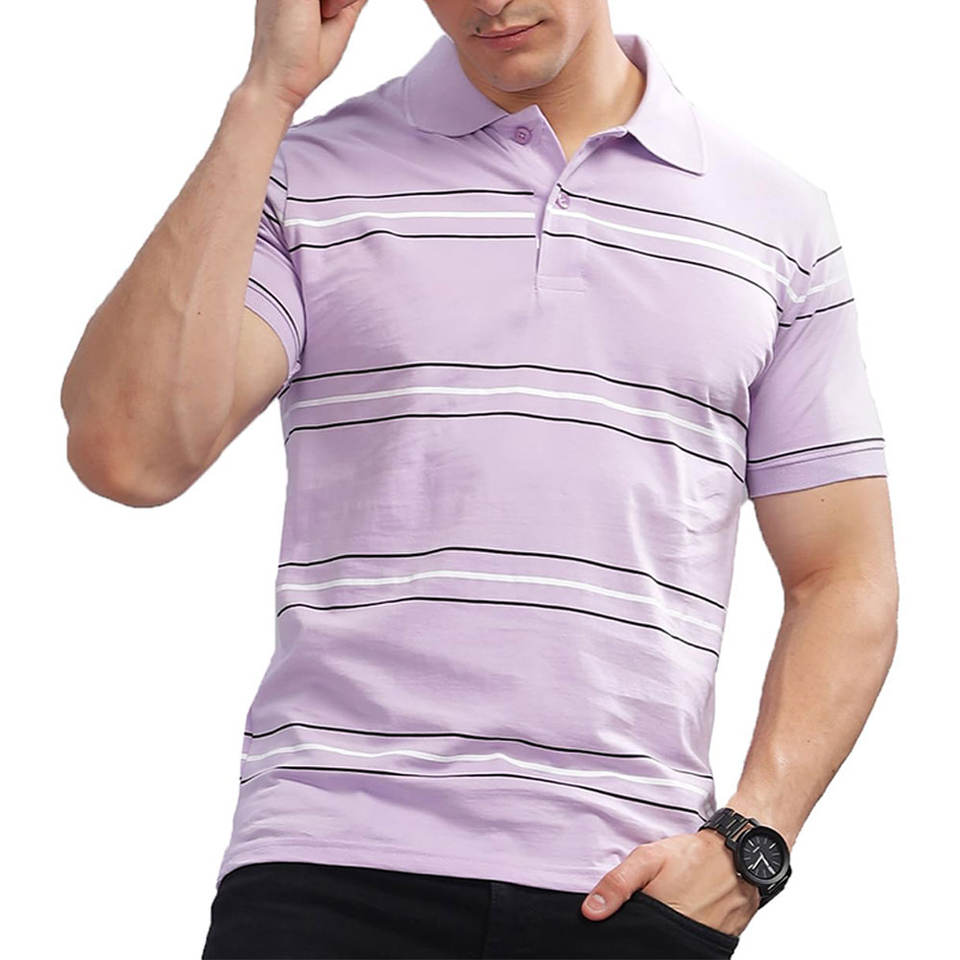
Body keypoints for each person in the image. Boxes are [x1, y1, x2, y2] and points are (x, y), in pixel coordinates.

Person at [60, 1, 899, 957]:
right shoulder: (308, 174)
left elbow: (843, 576)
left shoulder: (775, 217)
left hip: (627, 888)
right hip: (329, 867)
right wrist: (265, 98)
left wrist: (752, 842)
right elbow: (130, 452)